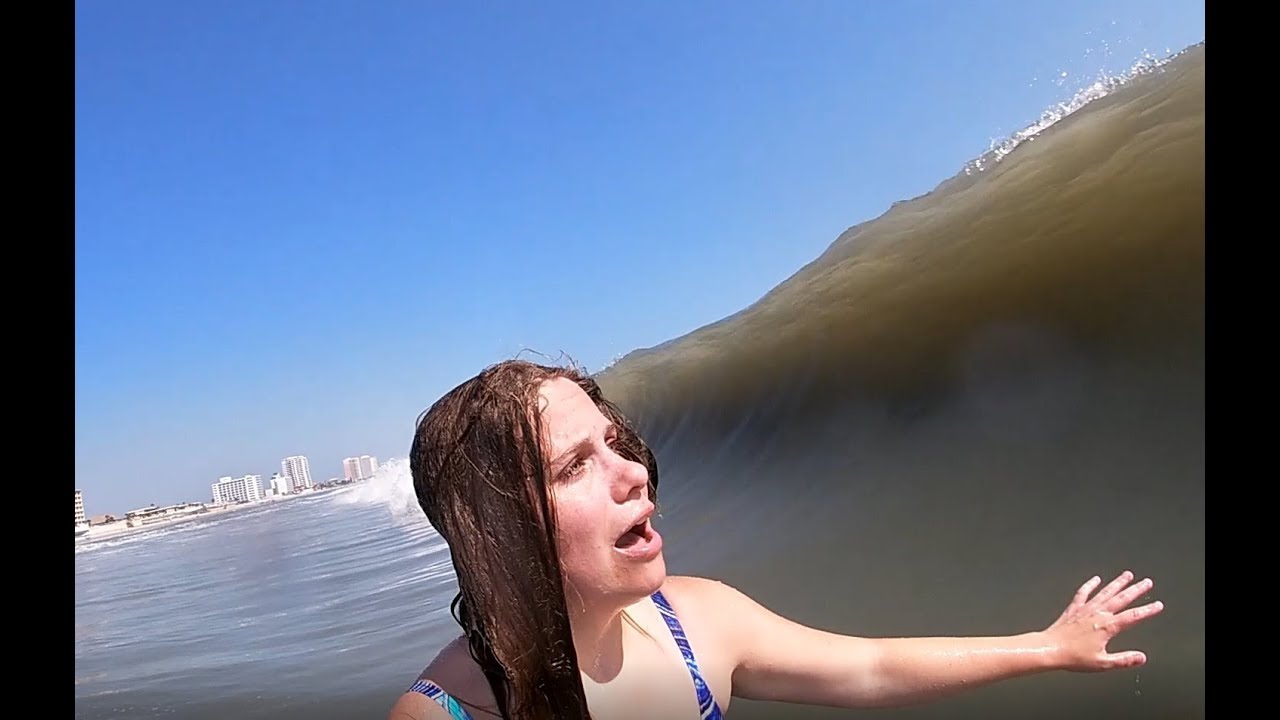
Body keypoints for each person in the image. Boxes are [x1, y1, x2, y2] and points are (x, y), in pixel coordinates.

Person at [387, 359, 1164, 720]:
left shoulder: (700, 621)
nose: (632, 474)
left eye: (618, 443)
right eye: (574, 466)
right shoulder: (445, 714)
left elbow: (868, 667)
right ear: (494, 535)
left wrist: (1047, 647)